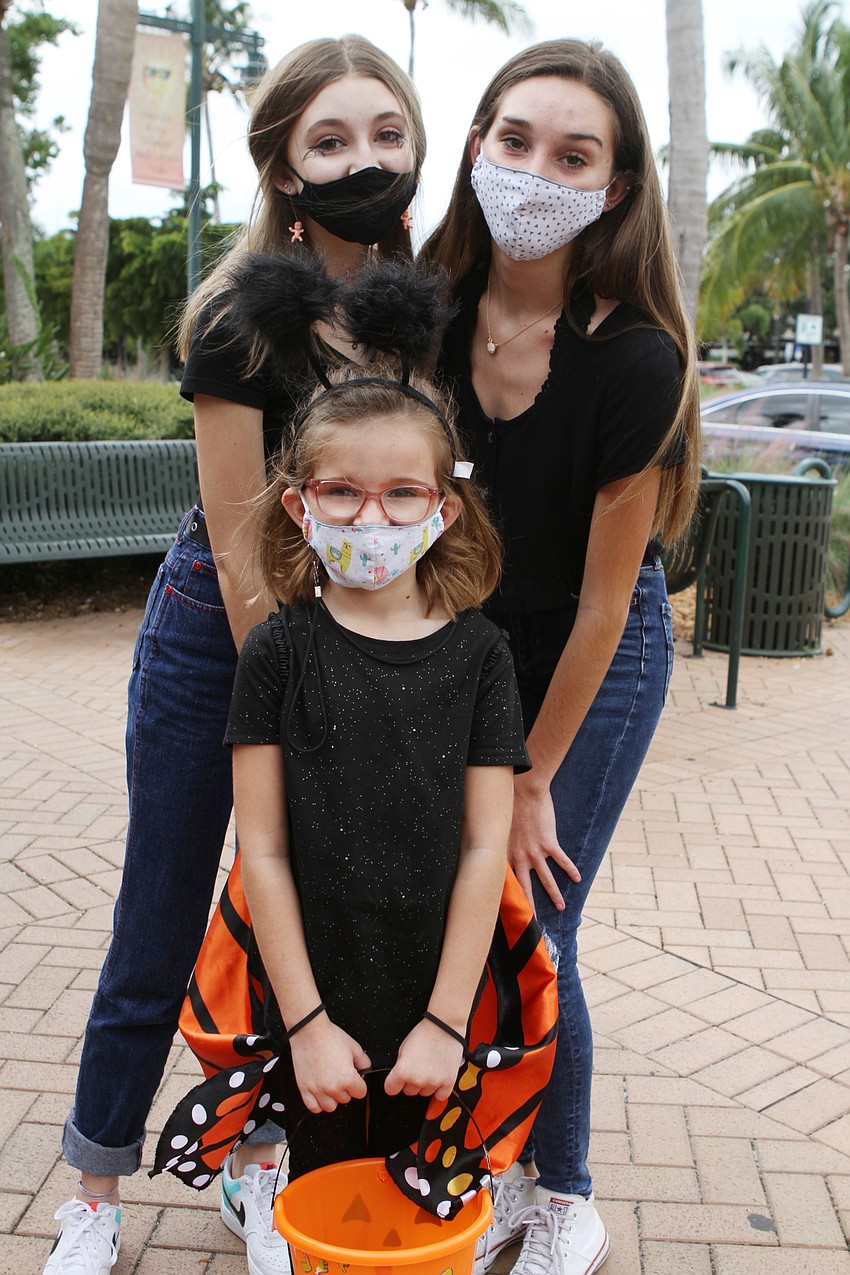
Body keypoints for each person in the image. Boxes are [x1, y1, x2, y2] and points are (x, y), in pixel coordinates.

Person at [43, 34, 427, 1275]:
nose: (361, 159)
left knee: (284, 928)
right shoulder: (238, 312)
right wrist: (302, 706)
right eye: (330, 139)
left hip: (356, 646)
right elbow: (241, 539)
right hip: (227, 635)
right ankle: (94, 1190)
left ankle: (257, 1165)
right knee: (158, 917)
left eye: (384, 133)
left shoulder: (422, 309)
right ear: (283, 161)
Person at [148, 257, 540, 1205]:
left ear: (444, 509)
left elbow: (488, 846)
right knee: (331, 1209)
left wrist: (448, 1024)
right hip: (316, 1009)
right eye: (343, 494)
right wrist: (307, 1020)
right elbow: (265, 850)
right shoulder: (278, 654)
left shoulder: (483, 656)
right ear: (299, 502)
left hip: (439, 1009)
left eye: (404, 494)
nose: (374, 516)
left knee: (425, 1216)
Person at [422, 38, 701, 1275]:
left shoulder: (634, 359)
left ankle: (565, 1195)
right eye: (515, 139)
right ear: (477, 143)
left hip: (596, 656)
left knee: (532, 915)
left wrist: (530, 777)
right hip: (468, 654)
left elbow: (599, 608)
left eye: (573, 154)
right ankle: (464, 1154)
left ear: (616, 188)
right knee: (448, 908)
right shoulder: (420, 315)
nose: (536, 170)